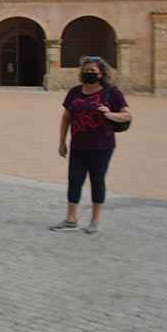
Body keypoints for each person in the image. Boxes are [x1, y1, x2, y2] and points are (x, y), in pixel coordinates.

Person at [51, 56, 130, 234]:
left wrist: (109, 114)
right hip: (78, 145)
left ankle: (95, 220)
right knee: (74, 180)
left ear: (101, 73)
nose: (89, 73)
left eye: (93, 71)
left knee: (97, 180)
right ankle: (71, 219)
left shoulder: (111, 93)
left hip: (102, 146)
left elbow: (127, 116)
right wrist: (62, 142)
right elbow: (66, 119)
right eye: (86, 70)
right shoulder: (75, 92)